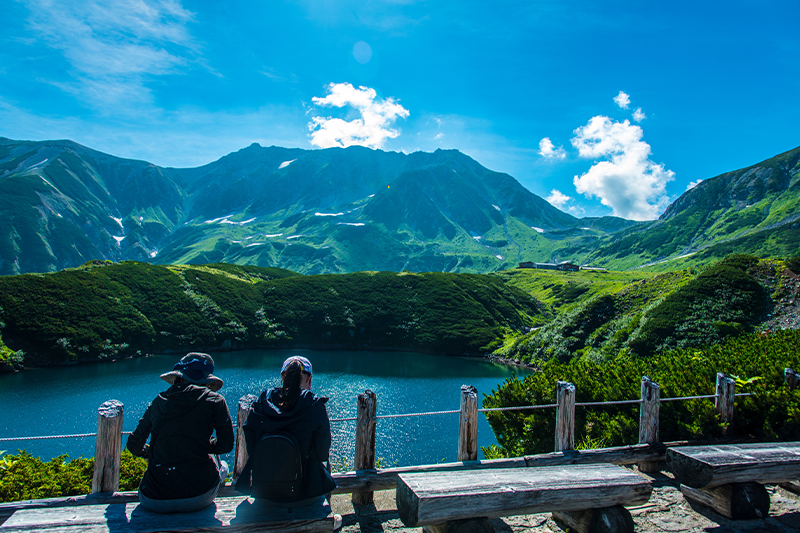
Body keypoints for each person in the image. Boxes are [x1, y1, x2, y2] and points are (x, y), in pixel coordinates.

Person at [127, 352, 234, 514]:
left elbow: (133, 446)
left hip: (153, 499)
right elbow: (225, 445)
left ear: (178, 378)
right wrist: (201, 444)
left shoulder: (158, 402)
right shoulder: (215, 401)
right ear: (205, 380)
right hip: (200, 496)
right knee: (223, 466)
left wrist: (149, 452)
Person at [236, 356, 338, 515]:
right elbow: (322, 452)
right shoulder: (313, 404)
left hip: (264, 494)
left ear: (283, 376)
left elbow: (251, 441)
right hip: (305, 495)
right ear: (309, 378)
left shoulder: (264, 400)